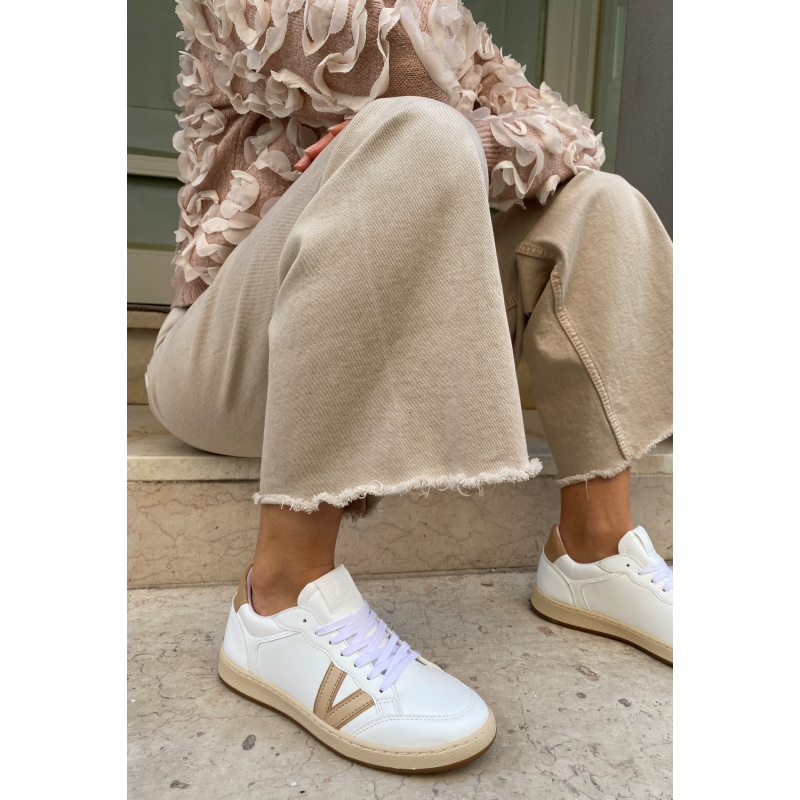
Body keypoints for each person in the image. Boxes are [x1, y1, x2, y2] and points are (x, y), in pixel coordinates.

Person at [146, 0, 673, 773]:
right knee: (418, 133)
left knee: (603, 201)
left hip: (368, 327)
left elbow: (573, 140)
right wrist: (471, 125)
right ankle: (280, 596)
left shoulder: (454, 27)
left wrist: (482, 136)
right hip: (223, 356)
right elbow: (384, 69)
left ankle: (595, 546)